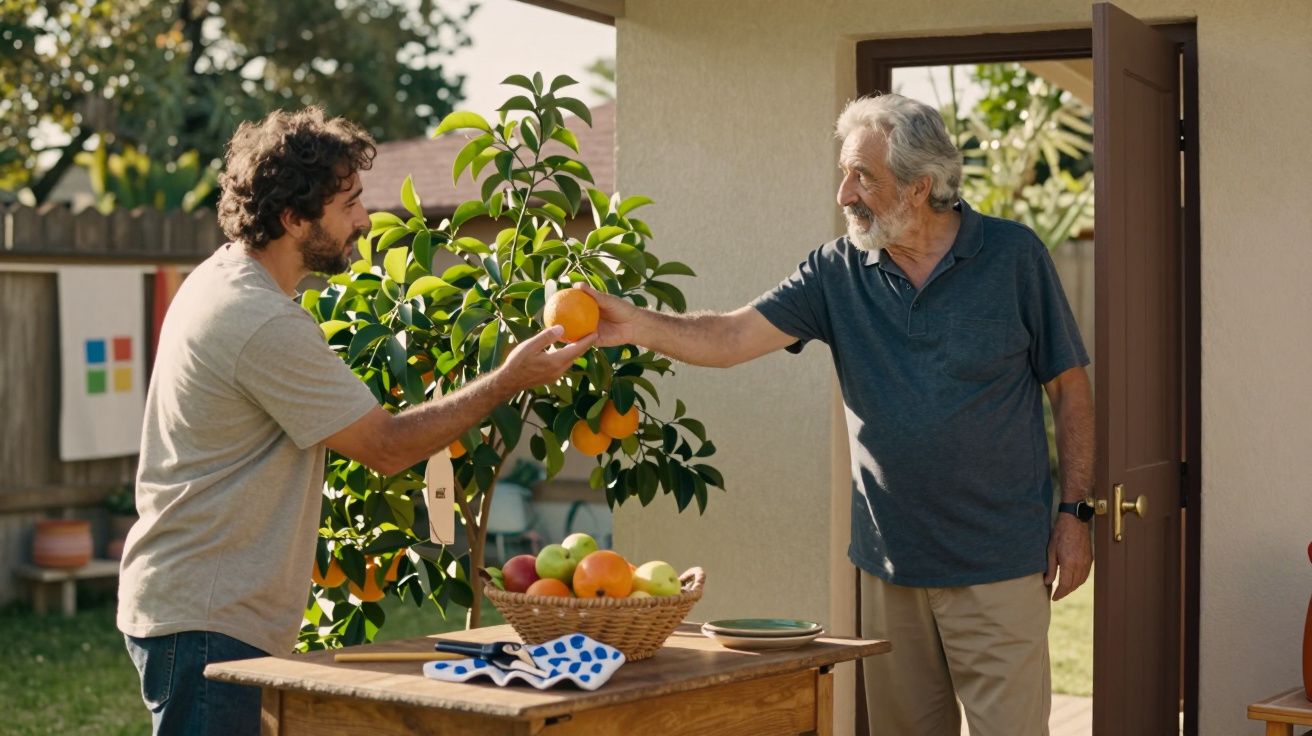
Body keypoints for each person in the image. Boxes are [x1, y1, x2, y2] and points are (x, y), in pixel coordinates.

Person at [581, 93, 1093, 735]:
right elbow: (732, 337)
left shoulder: (1014, 257)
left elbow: (1069, 389)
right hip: (890, 566)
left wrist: (1075, 515)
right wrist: (637, 325)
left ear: (920, 187)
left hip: (998, 564)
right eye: (845, 172)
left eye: (863, 177)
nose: (844, 191)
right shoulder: (836, 270)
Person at [116, 107, 595, 735]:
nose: (366, 220)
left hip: (200, 609)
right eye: (349, 204)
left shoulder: (223, 280)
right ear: (292, 217)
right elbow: (386, 446)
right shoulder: (259, 318)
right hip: (209, 619)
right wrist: (507, 380)